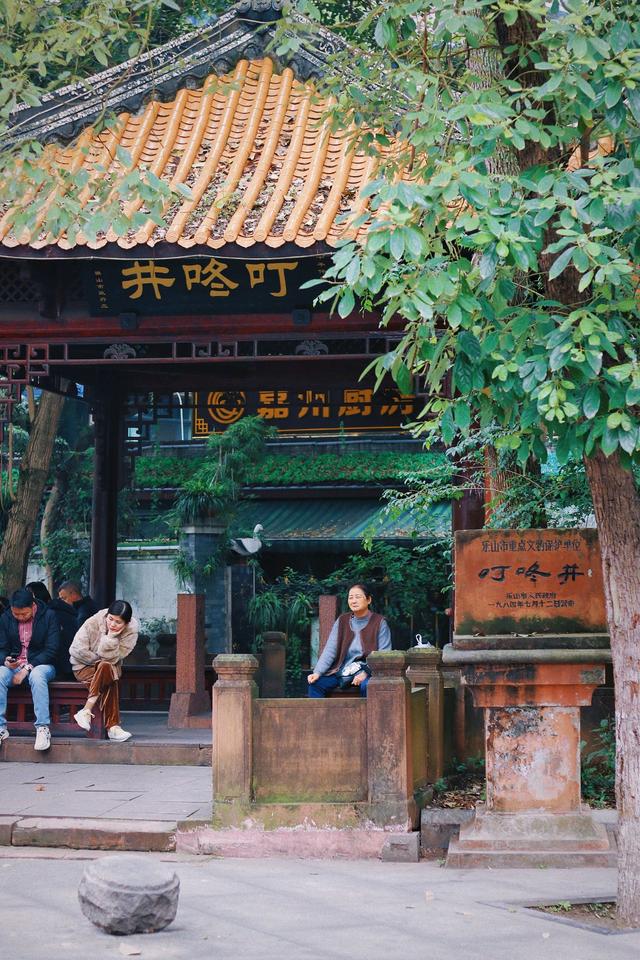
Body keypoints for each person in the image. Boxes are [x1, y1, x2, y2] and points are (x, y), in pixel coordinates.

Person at [68, 600, 139, 742]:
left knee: (106, 668)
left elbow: (115, 658)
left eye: (118, 622)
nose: (112, 624)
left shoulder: (130, 631)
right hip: (83, 668)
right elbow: (76, 650)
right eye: (110, 619)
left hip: (108, 669)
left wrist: (110, 639)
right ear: (107, 615)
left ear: (126, 623)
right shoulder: (93, 622)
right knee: (108, 674)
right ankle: (113, 728)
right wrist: (98, 661)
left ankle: (86, 710)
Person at [0, 586, 60, 751]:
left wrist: (27, 668)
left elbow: (52, 649)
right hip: (15, 666)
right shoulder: (5, 618)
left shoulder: (49, 616)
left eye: (24, 614)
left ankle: (42, 727)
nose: (20, 617)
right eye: (16, 614)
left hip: (42, 664)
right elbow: (2, 647)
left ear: (33, 606)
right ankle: (0, 728)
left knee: (37, 676)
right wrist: (6, 660)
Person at [307, 583, 391, 698]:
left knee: (368, 686)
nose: (353, 601)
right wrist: (317, 672)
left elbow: (384, 655)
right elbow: (330, 650)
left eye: (358, 597)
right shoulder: (342, 621)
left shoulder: (379, 622)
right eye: (350, 597)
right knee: (316, 684)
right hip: (343, 672)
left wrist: (366, 673)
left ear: (368, 600)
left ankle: (368, 711)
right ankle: (319, 711)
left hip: (370, 672)